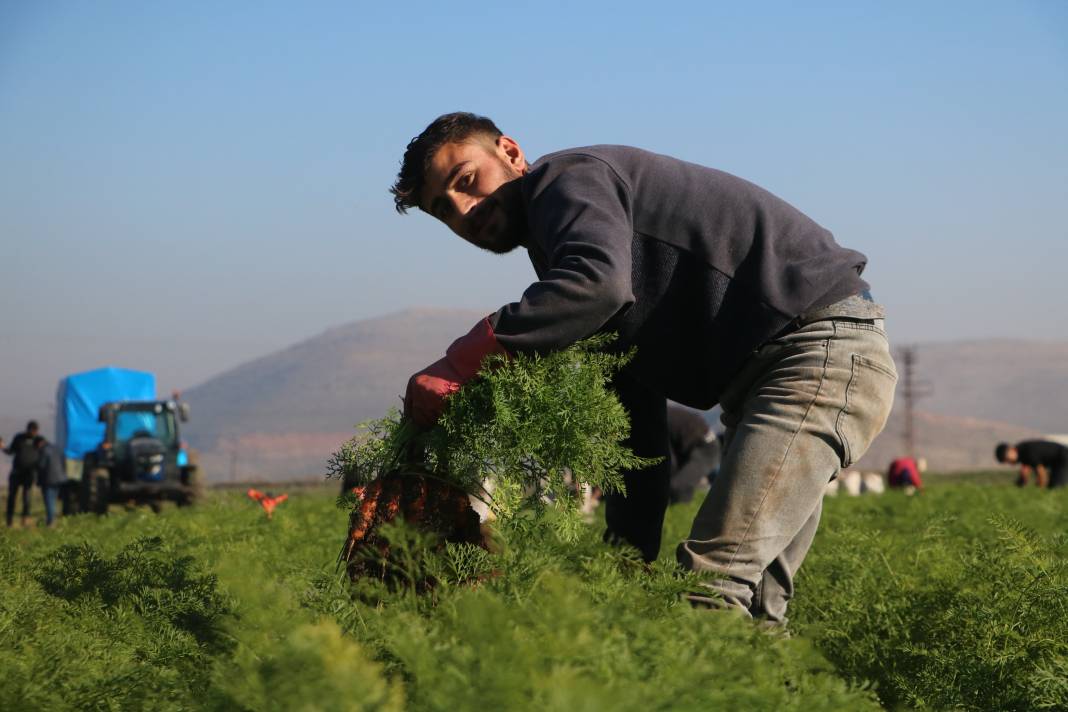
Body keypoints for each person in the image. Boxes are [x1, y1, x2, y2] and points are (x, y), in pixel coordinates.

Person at [391, 112, 897, 624]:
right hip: (780, 378)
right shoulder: (571, 260)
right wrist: (624, 565)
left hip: (814, 355)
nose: (463, 209)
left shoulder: (569, 180)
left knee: (710, 591)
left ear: (510, 152)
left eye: (466, 181)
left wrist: (461, 361)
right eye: (444, 210)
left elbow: (595, 285)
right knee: (758, 614)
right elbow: (635, 427)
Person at [666, 404, 721, 504]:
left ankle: (682, 505)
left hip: (706, 448)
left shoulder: (659, 417)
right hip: (690, 445)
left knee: (677, 485)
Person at [5, 420, 40, 527]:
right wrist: (2, 447)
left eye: (35, 431)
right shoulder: (19, 438)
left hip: (29, 474)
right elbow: (11, 451)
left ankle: (24, 520)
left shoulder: (38, 440)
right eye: (32, 430)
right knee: (12, 496)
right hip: (16, 473)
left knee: (26, 498)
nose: (34, 433)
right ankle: (9, 520)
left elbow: (45, 451)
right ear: (28, 429)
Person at [995, 440, 1068, 489]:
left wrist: (1039, 490)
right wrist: (1020, 484)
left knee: (1056, 487)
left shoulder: (1028, 453)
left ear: (1011, 450)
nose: (1010, 463)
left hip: (1063, 457)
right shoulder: (1021, 452)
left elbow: (1041, 473)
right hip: (1057, 461)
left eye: (1008, 459)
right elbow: (1025, 472)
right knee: (1051, 487)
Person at [34, 435, 67, 527]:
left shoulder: (44, 450)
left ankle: (51, 522)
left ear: (39, 443)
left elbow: (41, 466)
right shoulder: (57, 448)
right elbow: (63, 462)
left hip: (48, 479)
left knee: (49, 501)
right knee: (53, 500)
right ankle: (52, 520)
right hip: (60, 479)